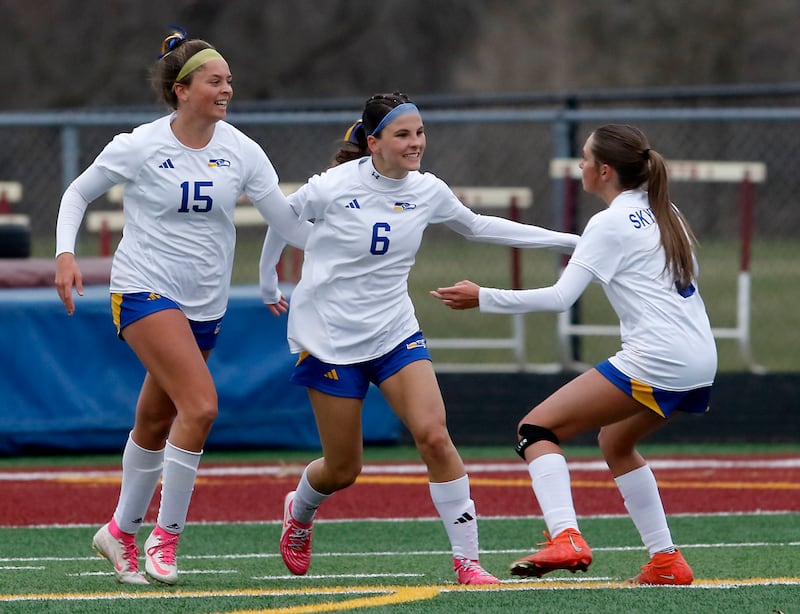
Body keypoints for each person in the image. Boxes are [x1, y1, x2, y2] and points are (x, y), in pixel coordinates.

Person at [258, 92, 579, 585]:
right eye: (403, 135)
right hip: (328, 336)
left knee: (433, 436)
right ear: (374, 142)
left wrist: (570, 241)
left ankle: (468, 562)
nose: (416, 144)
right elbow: (280, 222)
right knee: (343, 469)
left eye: (420, 133)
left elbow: (478, 227)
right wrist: (267, 280)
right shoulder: (332, 187)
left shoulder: (428, 190)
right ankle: (299, 513)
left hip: (394, 331)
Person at [54, 27, 309, 585]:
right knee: (201, 406)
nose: (227, 90)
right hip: (143, 289)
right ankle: (165, 540)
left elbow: (289, 223)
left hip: (205, 305)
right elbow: (77, 193)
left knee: (155, 419)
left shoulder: (242, 149)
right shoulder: (140, 144)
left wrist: (346, 223)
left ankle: (119, 532)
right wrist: (65, 254)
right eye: (215, 81)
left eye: (229, 81)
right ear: (182, 89)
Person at [431, 124, 717, 585]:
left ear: (604, 171)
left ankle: (565, 536)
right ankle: (666, 560)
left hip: (660, 359)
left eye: (584, 158)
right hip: (701, 358)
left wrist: (484, 296)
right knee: (616, 442)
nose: (579, 165)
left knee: (536, 429)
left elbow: (560, 298)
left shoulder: (609, 222)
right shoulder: (667, 211)